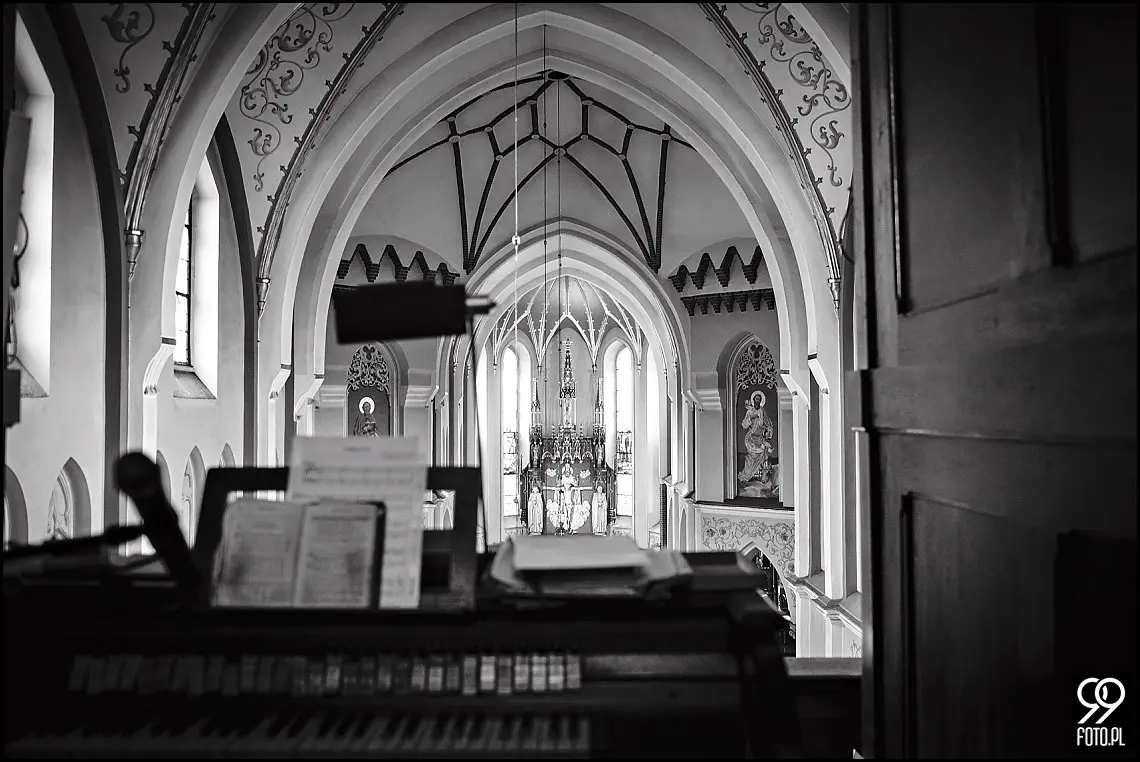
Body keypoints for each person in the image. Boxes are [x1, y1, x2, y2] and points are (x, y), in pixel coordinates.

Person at [738, 390, 777, 496]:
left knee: (763, 454)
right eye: (756, 399)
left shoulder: (762, 411)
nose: (757, 401)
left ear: (761, 401)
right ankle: (746, 476)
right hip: (751, 437)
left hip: (760, 437)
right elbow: (744, 425)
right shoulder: (750, 411)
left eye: (759, 400)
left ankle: (763, 477)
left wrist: (768, 429)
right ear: (753, 400)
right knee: (752, 456)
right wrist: (751, 418)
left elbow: (767, 422)